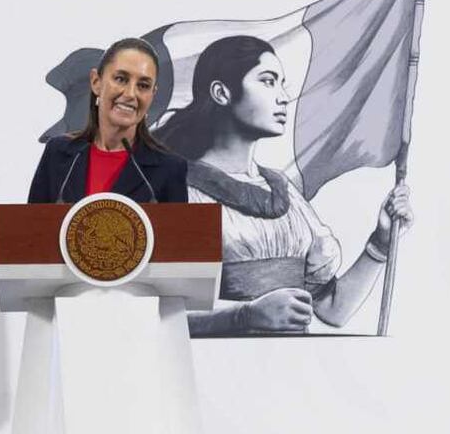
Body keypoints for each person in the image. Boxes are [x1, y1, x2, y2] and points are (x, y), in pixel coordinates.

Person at [154, 35, 414, 335]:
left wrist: (381, 242)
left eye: (282, 83)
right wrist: (245, 315)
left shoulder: (285, 191)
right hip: (220, 363)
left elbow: (332, 310)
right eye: (268, 81)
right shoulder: (182, 190)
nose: (283, 97)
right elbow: (168, 316)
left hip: (293, 362)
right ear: (221, 93)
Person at [28, 37, 188, 203]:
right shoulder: (57, 153)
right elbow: (32, 219)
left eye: (143, 85)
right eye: (121, 79)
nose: (130, 94)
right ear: (96, 82)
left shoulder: (170, 169)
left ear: (152, 94)